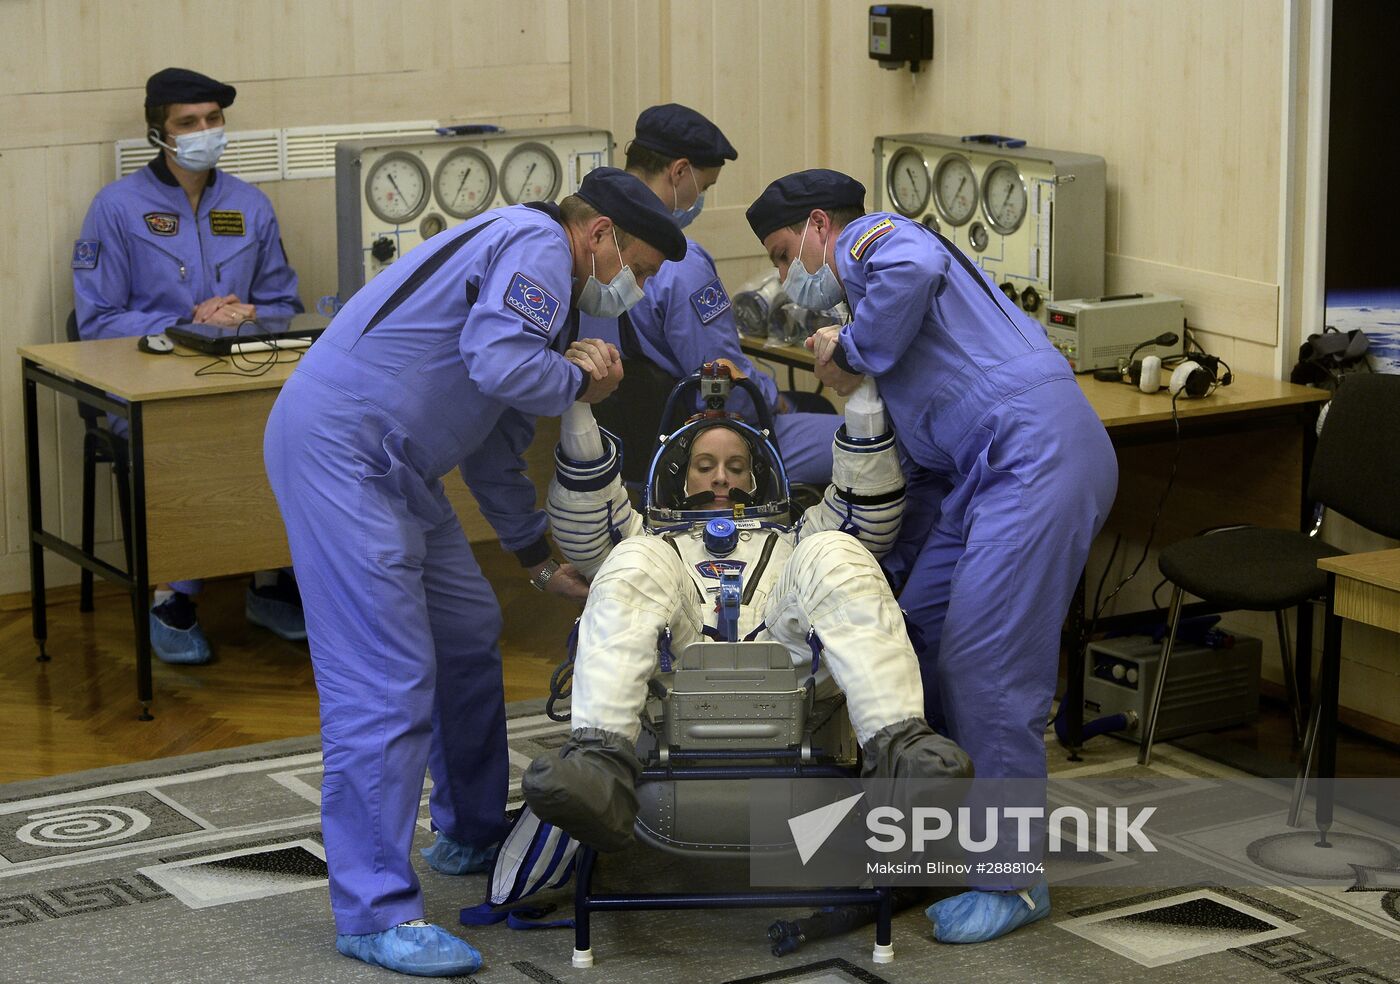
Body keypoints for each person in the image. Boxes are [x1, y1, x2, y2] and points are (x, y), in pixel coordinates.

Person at [263, 166, 686, 978]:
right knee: (385, 681)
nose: (635, 289)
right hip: (342, 457)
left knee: (466, 629)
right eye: (640, 268)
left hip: (399, 468)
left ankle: (467, 828)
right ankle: (373, 911)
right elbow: (500, 366)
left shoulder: (547, 276)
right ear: (599, 236)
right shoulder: (534, 242)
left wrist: (534, 558)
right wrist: (581, 379)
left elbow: (495, 437)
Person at [746, 170, 1118, 943]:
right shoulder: (891, 310)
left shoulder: (871, 240)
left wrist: (849, 350)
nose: (789, 277)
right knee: (907, 637)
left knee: (985, 665)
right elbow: (916, 465)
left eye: (786, 254)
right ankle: (932, 833)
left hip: (1036, 458)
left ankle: (1011, 879)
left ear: (820, 225)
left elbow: (908, 270)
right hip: (979, 472)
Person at [522, 368, 971, 851]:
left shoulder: (798, 535)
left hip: (794, 666)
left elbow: (867, 512)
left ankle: (900, 751)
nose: (720, 476)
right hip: (670, 669)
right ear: (680, 475)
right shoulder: (646, 538)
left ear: (756, 479)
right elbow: (587, 523)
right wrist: (578, 401)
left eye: (736, 467)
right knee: (629, 559)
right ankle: (599, 765)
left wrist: (861, 390)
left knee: (838, 551)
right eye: (705, 465)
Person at [72, 67, 306, 664]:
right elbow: (96, 322)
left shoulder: (250, 205)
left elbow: (287, 307)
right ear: (160, 134)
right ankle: (172, 592)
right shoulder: (117, 209)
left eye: (213, 120)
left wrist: (248, 311)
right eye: (189, 123)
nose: (205, 132)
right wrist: (186, 324)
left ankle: (269, 581)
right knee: (196, 442)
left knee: (291, 430)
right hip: (147, 385)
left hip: (238, 375)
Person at [578, 103, 841, 484]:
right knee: (862, 438)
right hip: (700, 443)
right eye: (703, 187)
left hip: (618, 451)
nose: (698, 199)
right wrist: (773, 398)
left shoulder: (586, 245)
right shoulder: (681, 261)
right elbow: (724, 384)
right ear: (679, 171)